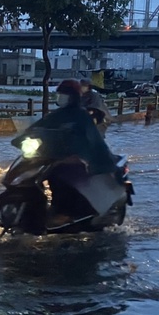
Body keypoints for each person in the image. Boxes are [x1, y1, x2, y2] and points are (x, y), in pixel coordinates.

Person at [14, 79, 119, 226]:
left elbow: (91, 139)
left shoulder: (81, 115)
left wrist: (81, 151)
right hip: (59, 155)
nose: (61, 98)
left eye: (64, 95)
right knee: (45, 171)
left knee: (62, 174)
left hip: (81, 158)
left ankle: (66, 212)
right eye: (59, 95)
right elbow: (40, 125)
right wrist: (22, 137)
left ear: (73, 97)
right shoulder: (58, 114)